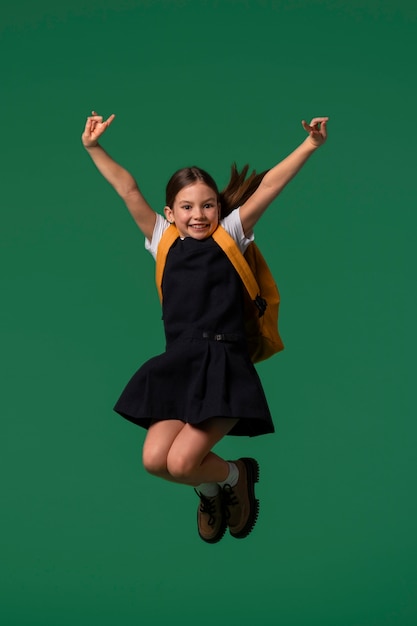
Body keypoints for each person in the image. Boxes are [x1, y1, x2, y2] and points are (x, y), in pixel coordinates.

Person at [81, 111, 328, 543]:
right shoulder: (162, 240)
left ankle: (237, 475)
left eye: (208, 204)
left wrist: (309, 145)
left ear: (219, 207)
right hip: (180, 364)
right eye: (187, 207)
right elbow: (127, 188)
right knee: (156, 460)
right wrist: (94, 147)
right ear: (170, 212)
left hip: (223, 365)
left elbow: (270, 186)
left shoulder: (231, 234)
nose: (199, 215)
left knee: (181, 464)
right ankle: (213, 487)